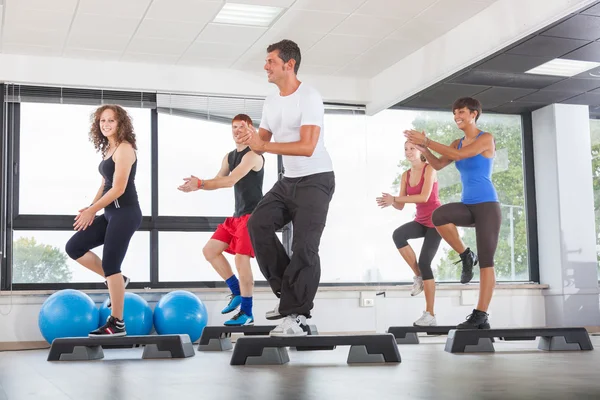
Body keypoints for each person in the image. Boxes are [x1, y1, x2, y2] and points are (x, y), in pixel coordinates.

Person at [238, 39, 335, 337]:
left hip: (316, 179)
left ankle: (296, 313)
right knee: (257, 225)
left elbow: (307, 146)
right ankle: (290, 301)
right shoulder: (271, 100)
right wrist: (248, 142)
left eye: (270, 61)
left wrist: (263, 143)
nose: (265, 66)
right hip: (288, 181)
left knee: (305, 247)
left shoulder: (309, 97)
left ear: (289, 64)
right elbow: (263, 141)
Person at [404, 97, 501, 330]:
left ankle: (481, 315)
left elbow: (460, 156)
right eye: (454, 112)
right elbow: (437, 165)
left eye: (462, 112)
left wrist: (428, 140)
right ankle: (466, 254)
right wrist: (423, 148)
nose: (457, 116)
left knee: (487, 262)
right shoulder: (457, 142)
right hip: (468, 205)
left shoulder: (485, 138)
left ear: (474, 114)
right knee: (439, 216)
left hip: (487, 205)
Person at [177, 114, 264, 326]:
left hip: (252, 217)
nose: (237, 131)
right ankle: (236, 292)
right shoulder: (229, 156)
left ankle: (247, 312)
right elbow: (218, 179)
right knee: (210, 251)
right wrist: (198, 184)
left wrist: (201, 183)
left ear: (250, 129)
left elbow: (231, 180)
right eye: (234, 127)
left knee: (241, 261)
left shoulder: (254, 156)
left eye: (242, 127)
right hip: (237, 216)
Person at [65, 104, 141, 337]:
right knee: (74, 247)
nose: (106, 125)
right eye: (102, 121)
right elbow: (104, 185)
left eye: (111, 121)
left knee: (111, 266)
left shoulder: (125, 149)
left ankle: (117, 323)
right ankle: (119, 281)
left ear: (121, 124)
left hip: (125, 214)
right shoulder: (110, 148)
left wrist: (92, 212)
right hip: (110, 214)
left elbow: (118, 189)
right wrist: (91, 208)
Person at [376, 142, 442, 326]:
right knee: (398, 235)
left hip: (437, 222)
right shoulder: (405, 175)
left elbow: (424, 197)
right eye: (405, 148)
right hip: (421, 220)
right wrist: (391, 201)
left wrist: (396, 198)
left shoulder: (430, 169)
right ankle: (419, 277)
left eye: (412, 148)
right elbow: (400, 205)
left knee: (425, 262)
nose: (408, 152)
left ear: (421, 150)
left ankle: (430, 314)